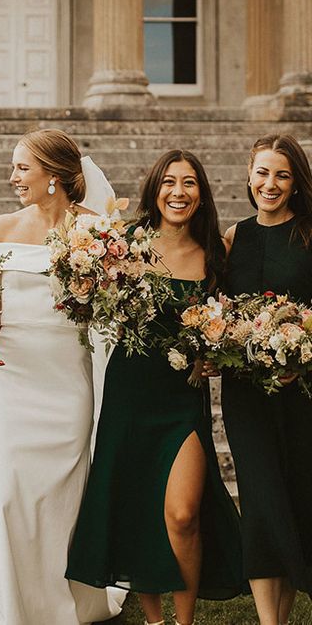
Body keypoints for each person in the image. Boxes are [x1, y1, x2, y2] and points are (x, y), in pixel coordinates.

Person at [66, 149, 244, 625]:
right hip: (129, 390)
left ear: (201, 194)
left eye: (189, 184)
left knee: (183, 514)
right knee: (138, 506)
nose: (178, 192)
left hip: (182, 398)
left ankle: (183, 622)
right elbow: (82, 295)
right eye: (169, 182)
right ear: (155, 189)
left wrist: (216, 354)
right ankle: (154, 620)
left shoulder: (216, 253)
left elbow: (230, 321)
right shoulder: (126, 242)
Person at [0, 128, 124, 624]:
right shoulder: (1, 228)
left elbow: (113, 306)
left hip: (67, 376)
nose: (12, 177)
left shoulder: (97, 230)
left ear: (53, 175)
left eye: (21, 167)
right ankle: (6, 609)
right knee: (5, 496)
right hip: (14, 375)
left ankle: (63, 603)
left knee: (63, 495)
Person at [222, 134, 312, 625]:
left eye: (281, 174)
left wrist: (303, 355)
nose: (270, 184)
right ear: (249, 176)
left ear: (295, 181)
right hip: (247, 397)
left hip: (302, 394)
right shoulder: (234, 237)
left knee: (295, 497)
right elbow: (211, 309)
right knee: (258, 500)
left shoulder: (309, 233)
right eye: (262, 173)